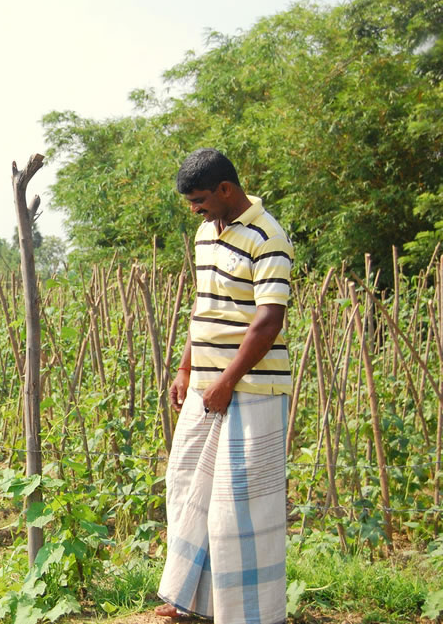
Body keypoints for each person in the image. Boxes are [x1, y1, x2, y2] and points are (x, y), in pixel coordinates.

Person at [155, 148, 294, 623]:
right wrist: (186, 368)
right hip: (206, 385)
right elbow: (205, 304)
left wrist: (228, 382)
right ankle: (188, 599)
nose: (194, 208)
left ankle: (249, 613)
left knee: (242, 504)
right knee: (186, 483)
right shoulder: (204, 233)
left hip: (253, 389)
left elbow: (268, 321)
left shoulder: (268, 236)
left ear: (226, 190)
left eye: (199, 199)